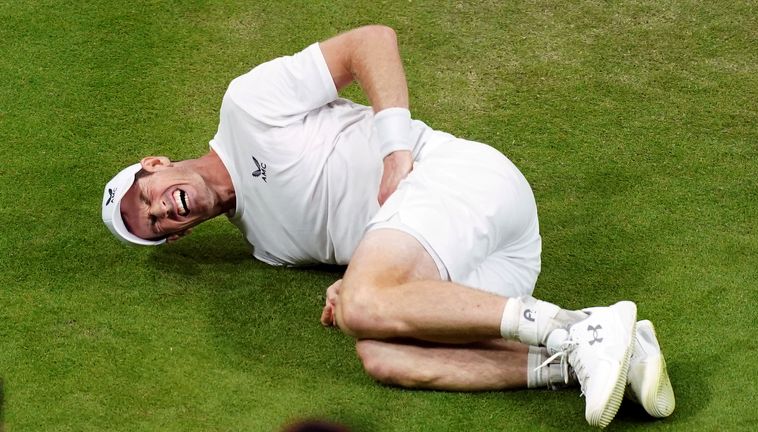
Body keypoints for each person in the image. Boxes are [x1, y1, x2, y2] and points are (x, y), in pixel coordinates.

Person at [101, 25, 674, 427]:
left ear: (156, 165)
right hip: (489, 262)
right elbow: (373, 248)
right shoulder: (266, 247)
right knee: (380, 355)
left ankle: (569, 332)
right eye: (154, 225)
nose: (160, 211)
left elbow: (370, 41)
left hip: (461, 181)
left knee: (362, 306)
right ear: (178, 236)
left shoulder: (246, 107)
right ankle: (582, 353)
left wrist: (395, 151)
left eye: (146, 198)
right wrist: (351, 280)